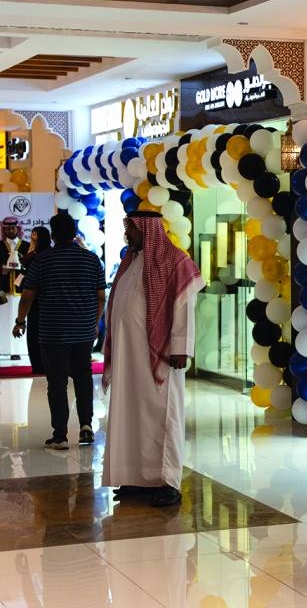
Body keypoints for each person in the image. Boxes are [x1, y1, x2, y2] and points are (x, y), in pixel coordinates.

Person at [101, 211, 204, 508]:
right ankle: (137, 479)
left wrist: (180, 346)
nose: (127, 234)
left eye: (130, 228)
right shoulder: (131, 262)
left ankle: (167, 481)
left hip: (160, 356)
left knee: (162, 417)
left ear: (147, 229)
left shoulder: (174, 261)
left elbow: (184, 305)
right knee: (130, 416)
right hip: (129, 357)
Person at [12, 214, 105, 450]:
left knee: (57, 382)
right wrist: (93, 322)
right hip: (83, 332)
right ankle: (86, 426)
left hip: (52, 332)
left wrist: (20, 321)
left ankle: (60, 435)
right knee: (83, 378)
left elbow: (28, 294)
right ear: (75, 233)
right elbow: (101, 296)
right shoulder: (92, 259)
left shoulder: (44, 260)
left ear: (52, 235)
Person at [22, 226, 52, 375]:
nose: (32, 235)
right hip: (43, 299)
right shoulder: (40, 252)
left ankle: (39, 365)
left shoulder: (40, 255)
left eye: (35, 233)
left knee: (36, 332)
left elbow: (26, 261)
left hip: (37, 297)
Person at [0, 216, 29, 295]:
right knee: (3, 307)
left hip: (22, 290)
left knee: (20, 307)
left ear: (18, 229)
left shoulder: (27, 246)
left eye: (13, 228)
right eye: (7, 229)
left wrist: (20, 274)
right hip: (2, 290)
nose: (11, 230)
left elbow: (30, 267)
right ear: (4, 230)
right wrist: (2, 271)